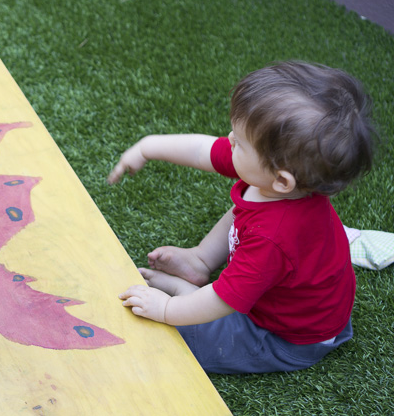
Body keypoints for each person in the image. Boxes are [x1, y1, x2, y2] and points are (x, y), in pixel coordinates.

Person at [109, 61, 375, 373]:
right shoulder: (277, 181)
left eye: (240, 142)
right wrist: (148, 146)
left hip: (285, 337)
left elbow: (225, 300)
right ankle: (200, 261)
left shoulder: (273, 237)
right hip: (300, 300)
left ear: (282, 180)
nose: (229, 141)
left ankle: (185, 292)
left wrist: (168, 308)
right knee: (249, 204)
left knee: (185, 339)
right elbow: (202, 150)